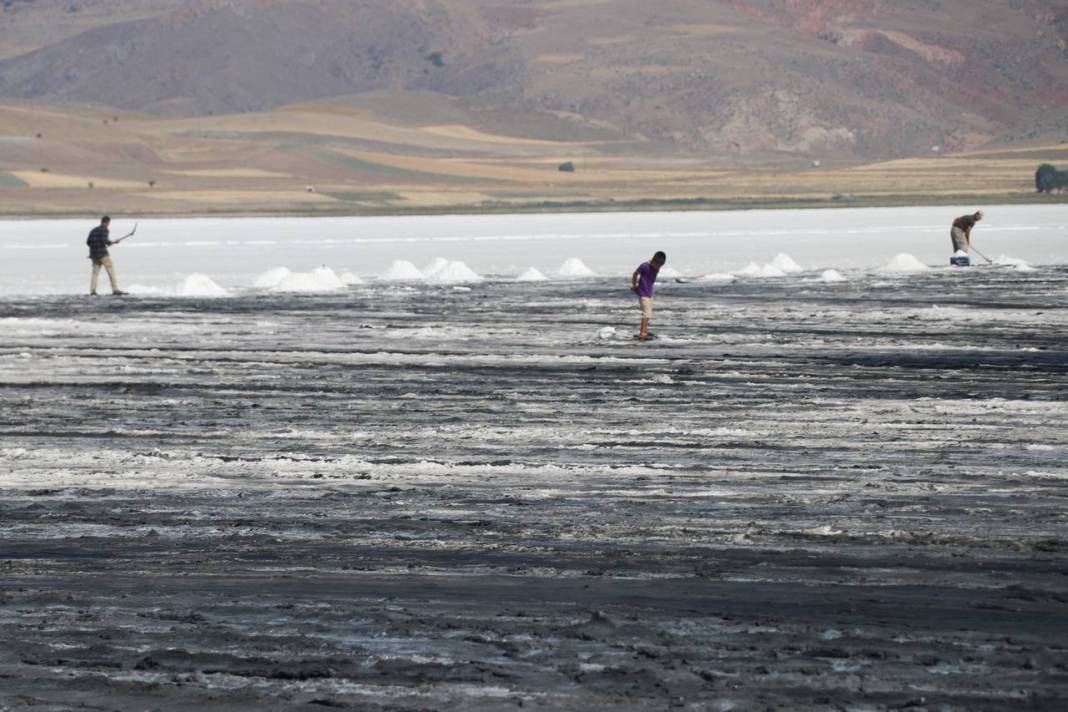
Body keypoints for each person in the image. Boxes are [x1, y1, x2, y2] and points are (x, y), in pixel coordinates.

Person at [86, 216, 126, 295]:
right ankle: (115, 289)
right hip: (103, 254)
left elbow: (88, 242)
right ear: (107, 222)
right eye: (108, 223)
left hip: (94, 255)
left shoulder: (93, 230)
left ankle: (93, 291)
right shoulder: (105, 230)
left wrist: (96, 247)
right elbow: (105, 241)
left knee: (95, 273)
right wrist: (114, 242)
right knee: (111, 271)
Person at [631, 251, 666, 341]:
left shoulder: (656, 268)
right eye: (657, 265)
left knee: (649, 314)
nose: (658, 267)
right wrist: (634, 286)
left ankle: (645, 330)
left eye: (660, 265)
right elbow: (635, 274)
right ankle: (642, 332)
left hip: (649, 293)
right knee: (646, 313)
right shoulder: (644, 266)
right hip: (642, 293)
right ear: (653, 261)